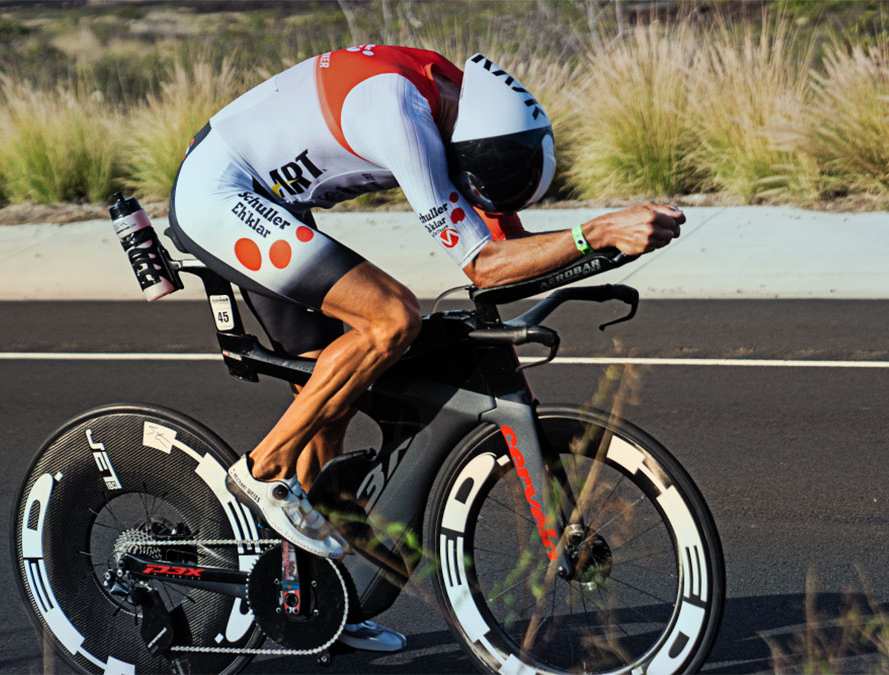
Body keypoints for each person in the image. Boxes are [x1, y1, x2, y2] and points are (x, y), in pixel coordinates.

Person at [168, 44, 683, 652]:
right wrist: (597, 230)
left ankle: (316, 599)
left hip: (273, 203)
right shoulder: (398, 110)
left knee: (327, 397)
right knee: (391, 318)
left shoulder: (464, 111)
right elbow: (484, 264)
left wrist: (601, 252)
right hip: (219, 195)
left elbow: (512, 257)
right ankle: (266, 471)